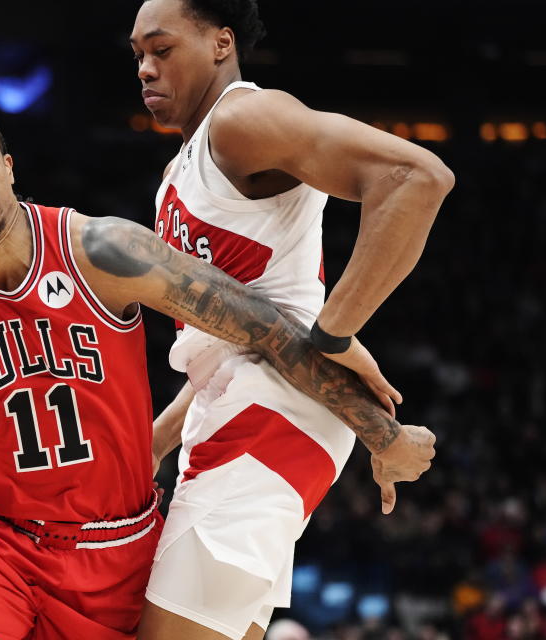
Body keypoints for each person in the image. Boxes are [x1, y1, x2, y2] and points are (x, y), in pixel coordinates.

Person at [0, 106, 434, 640]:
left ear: (7, 169)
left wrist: (380, 433)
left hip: (117, 549)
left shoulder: (103, 250)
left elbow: (269, 331)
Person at [129, 1, 455, 638]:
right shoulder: (183, 167)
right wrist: (150, 448)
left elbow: (416, 176)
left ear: (221, 43)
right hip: (246, 403)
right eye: (137, 54)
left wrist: (333, 330)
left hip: (271, 410)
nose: (145, 68)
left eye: (162, 50)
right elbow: (218, 345)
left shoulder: (243, 118)